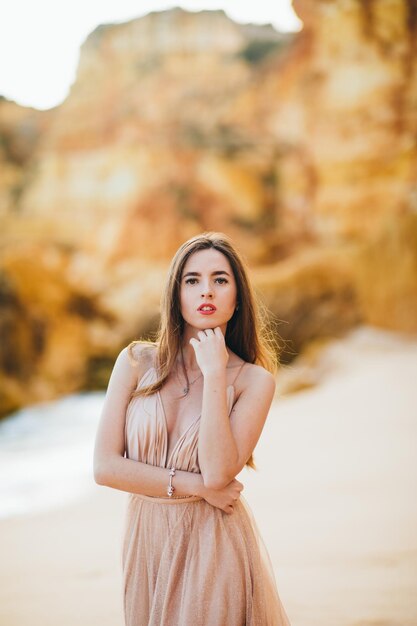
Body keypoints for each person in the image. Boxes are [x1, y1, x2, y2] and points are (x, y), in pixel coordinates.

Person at [93, 231, 291, 626]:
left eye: (220, 280)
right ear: (176, 294)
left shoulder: (254, 381)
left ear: (237, 299)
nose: (207, 292)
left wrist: (216, 375)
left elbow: (219, 472)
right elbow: (104, 468)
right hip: (145, 541)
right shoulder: (135, 362)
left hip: (212, 542)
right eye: (192, 280)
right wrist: (198, 487)